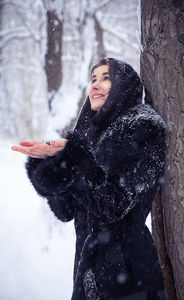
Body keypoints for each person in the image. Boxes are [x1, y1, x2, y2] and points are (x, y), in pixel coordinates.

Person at [12, 58, 167, 300]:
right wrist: (51, 167)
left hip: (129, 276)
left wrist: (77, 157)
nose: (95, 85)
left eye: (106, 78)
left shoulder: (144, 128)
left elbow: (115, 205)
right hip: (87, 274)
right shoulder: (90, 136)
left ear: (123, 86)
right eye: (93, 79)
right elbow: (66, 211)